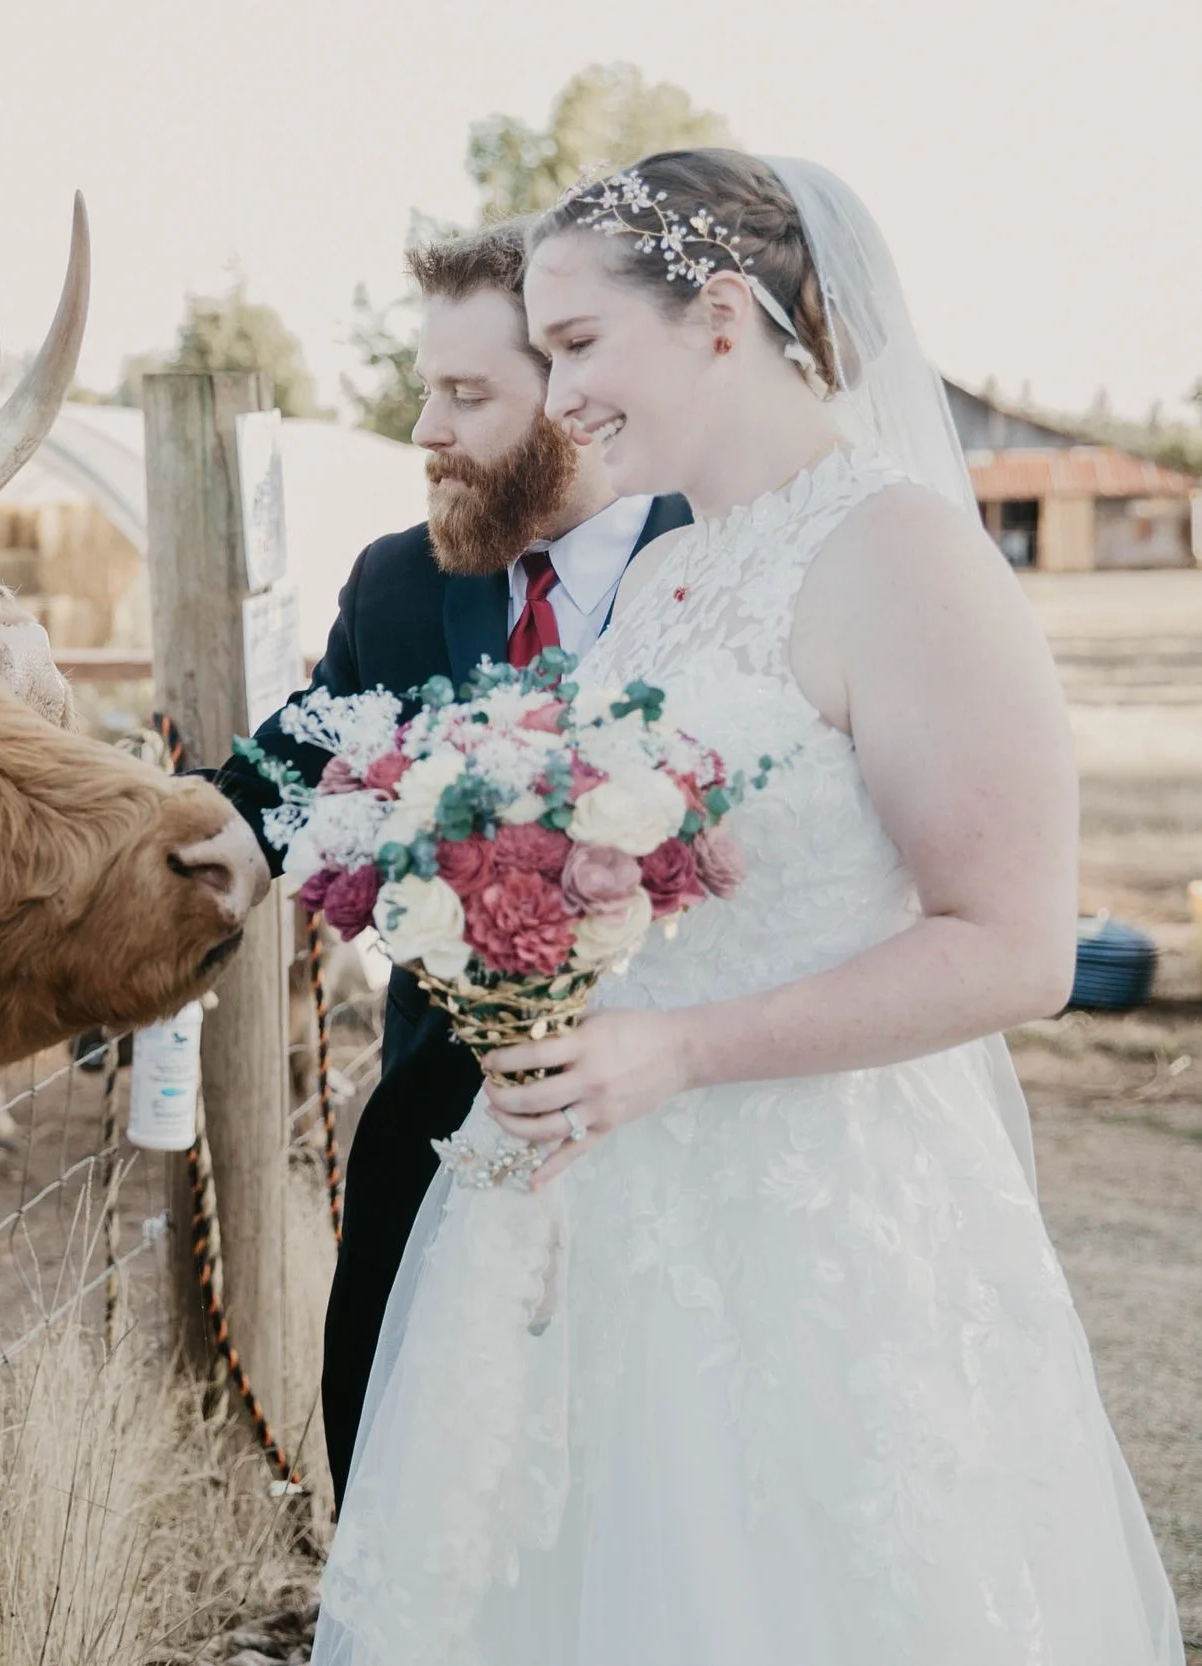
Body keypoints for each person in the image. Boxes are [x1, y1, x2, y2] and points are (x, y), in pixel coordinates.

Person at [312, 150, 1182, 1665]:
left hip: (816, 1225)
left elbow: (1018, 946)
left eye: (578, 346)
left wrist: (683, 1052)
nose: (558, 394)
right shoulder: (670, 577)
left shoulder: (903, 554)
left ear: (720, 313)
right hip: (600, 1208)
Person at [209, 221, 688, 1506]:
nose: (426, 428)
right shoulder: (396, 587)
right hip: (439, 1132)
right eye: (427, 388)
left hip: (689, 1142)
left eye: (467, 395)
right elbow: (271, 787)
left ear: (579, 397)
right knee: (400, 1481)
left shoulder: (730, 565)